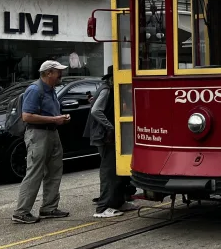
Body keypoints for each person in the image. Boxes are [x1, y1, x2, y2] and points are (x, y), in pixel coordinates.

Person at [12, 60, 71, 224]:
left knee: (54, 171)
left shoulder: (50, 90)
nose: (61, 75)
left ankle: (49, 208)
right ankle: (21, 212)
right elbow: (27, 116)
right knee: (34, 173)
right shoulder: (35, 90)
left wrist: (60, 119)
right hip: (38, 135)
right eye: (58, 71)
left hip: (52, 133)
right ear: (48, 73)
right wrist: (54, 119)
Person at [84, 66, 135, 217]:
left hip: (107, 135)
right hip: (105, 136)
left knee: (117, 170)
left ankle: (118, 202)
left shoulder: (109, 88)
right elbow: (96, 111)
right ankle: (103, 207)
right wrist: (110, 126)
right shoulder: (106, 90)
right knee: (109, 171)